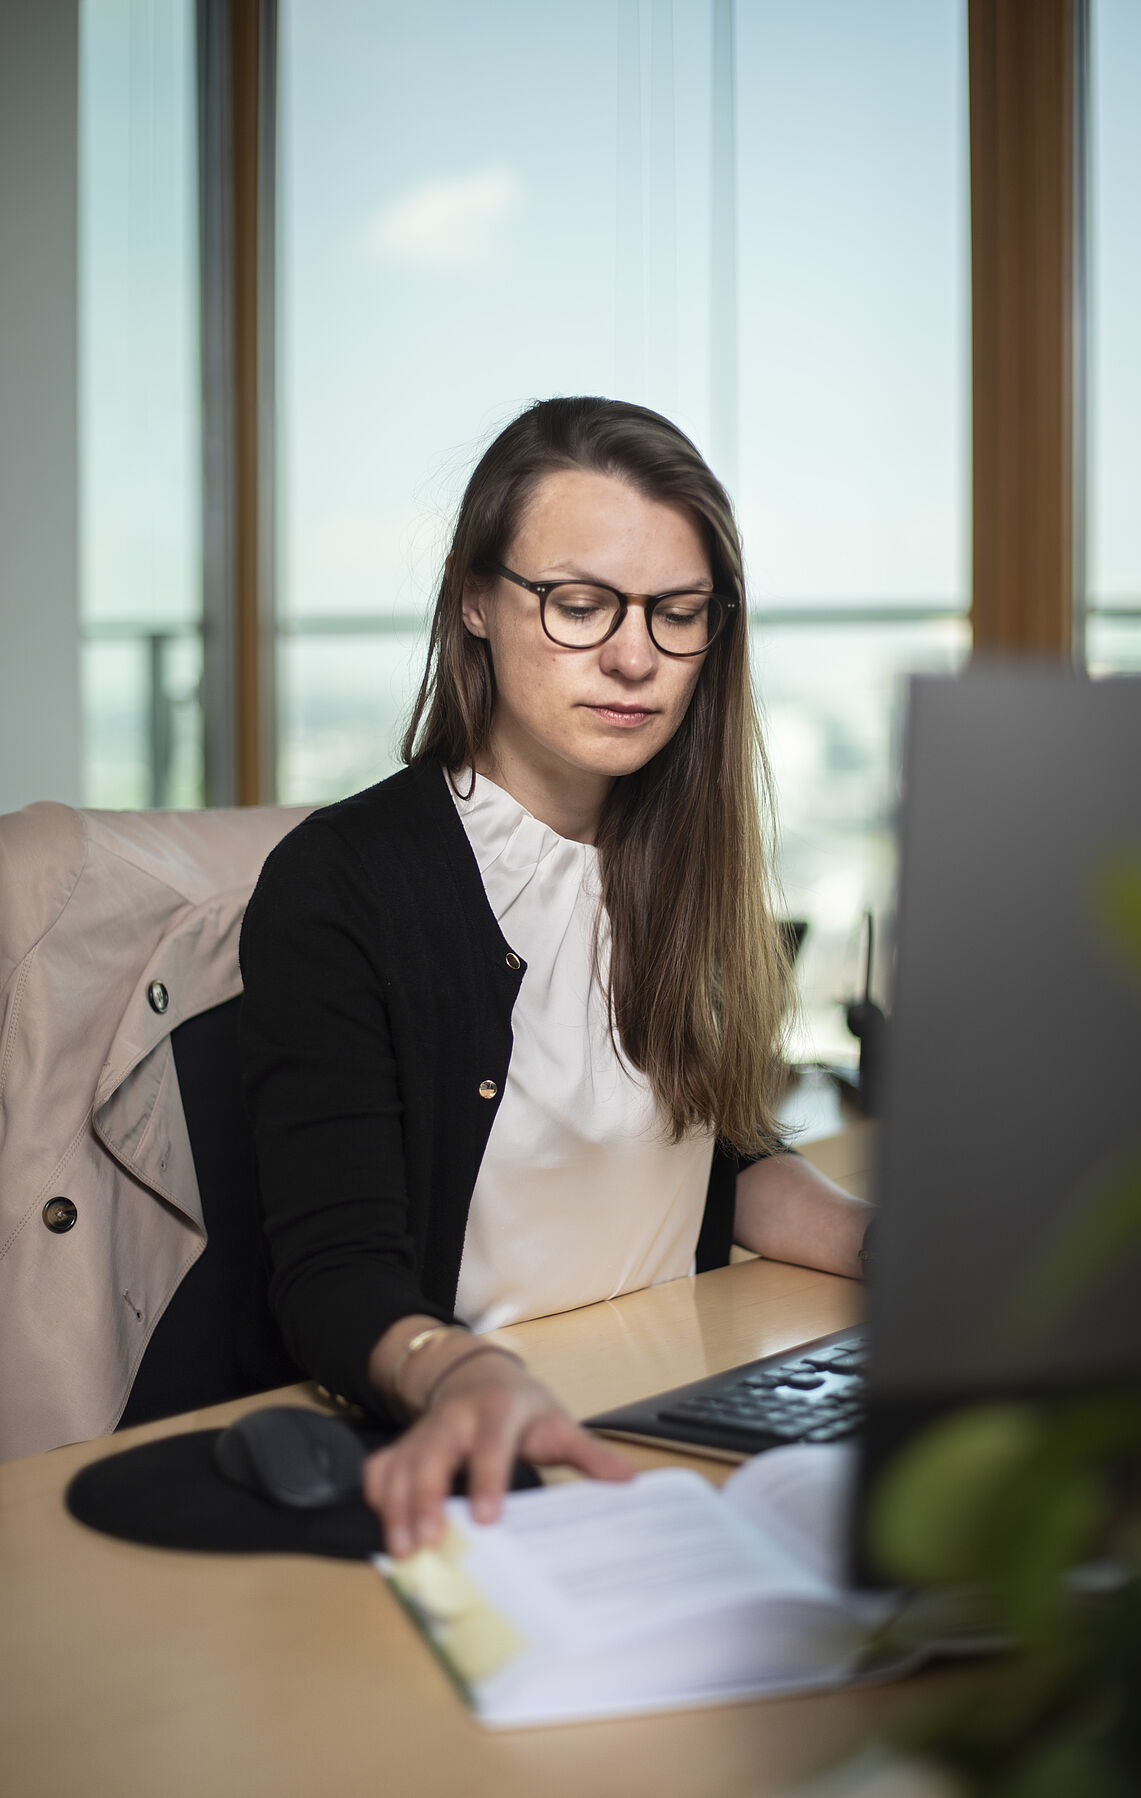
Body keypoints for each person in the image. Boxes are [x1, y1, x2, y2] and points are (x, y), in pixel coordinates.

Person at [239, 396, 873, 1558]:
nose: (634, 656)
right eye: (579, 604)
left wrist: (893, 1245)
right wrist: (459, 1369)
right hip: (465, 1447)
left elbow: (713, 1160)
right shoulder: (340, 884)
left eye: (677, 614)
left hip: (661, 1405)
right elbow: (333, 1275)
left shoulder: (682, 864)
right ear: (475, 600)